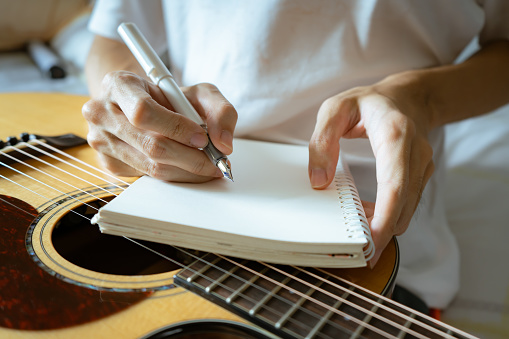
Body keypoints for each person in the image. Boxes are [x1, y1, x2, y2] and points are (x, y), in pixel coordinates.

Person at [83, 0, 509, 310]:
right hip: (178, 199)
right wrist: (134, 109)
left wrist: (420, 99)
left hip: (375, 255)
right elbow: (112, 36)